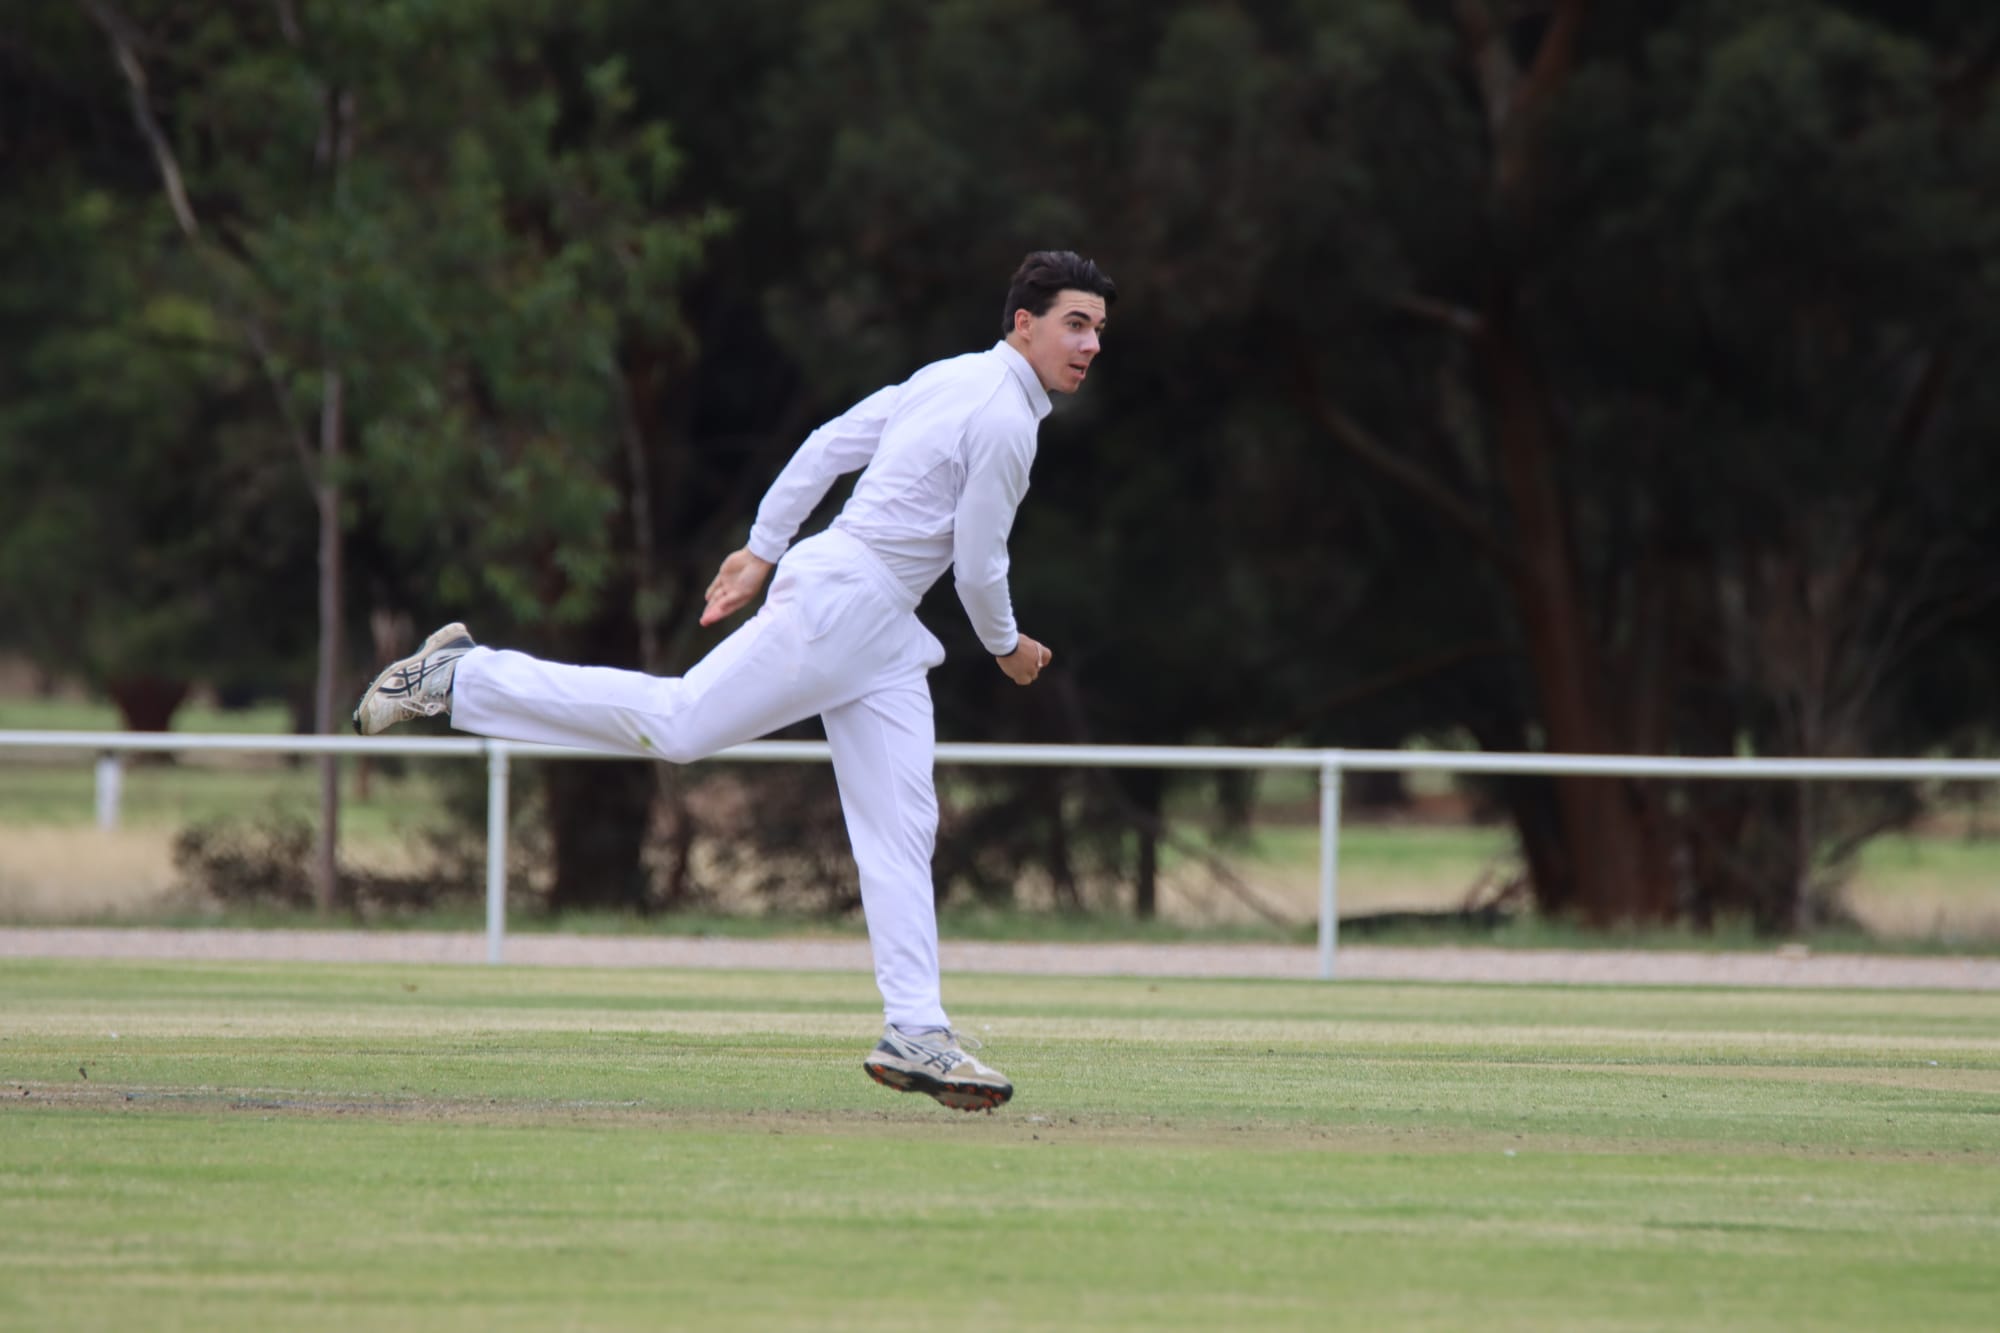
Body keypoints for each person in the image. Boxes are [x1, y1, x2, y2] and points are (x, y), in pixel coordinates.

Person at [353, 250, 1116, 1112]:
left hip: (878, 627)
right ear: (1024, 323)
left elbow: (830, 446)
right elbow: (979, 568)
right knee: (680, 725)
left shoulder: (950, 377)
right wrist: (1008, 646)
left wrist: (764, 545)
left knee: (902, 828)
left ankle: (917, 1030)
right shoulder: (1007, 419)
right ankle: (462, 678)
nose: (1089, 345)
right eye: (1074, 325)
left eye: (1097, 330)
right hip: (845, 604)